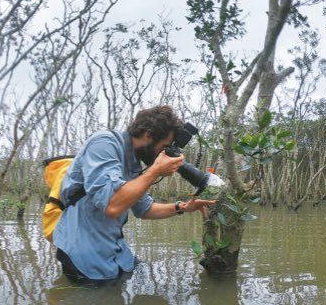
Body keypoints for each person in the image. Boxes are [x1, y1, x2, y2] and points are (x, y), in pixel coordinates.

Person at [53, 106, 215, 281]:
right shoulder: (104, 143)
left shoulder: (133, 162)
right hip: (85, 257)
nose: (165, 153)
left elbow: (145, 209)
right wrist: (155, 171)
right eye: (165, 146)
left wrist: (183, 207)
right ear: (148, 135)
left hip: (115, 251)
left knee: (142, 279)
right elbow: (112, 206)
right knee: (102, 304)